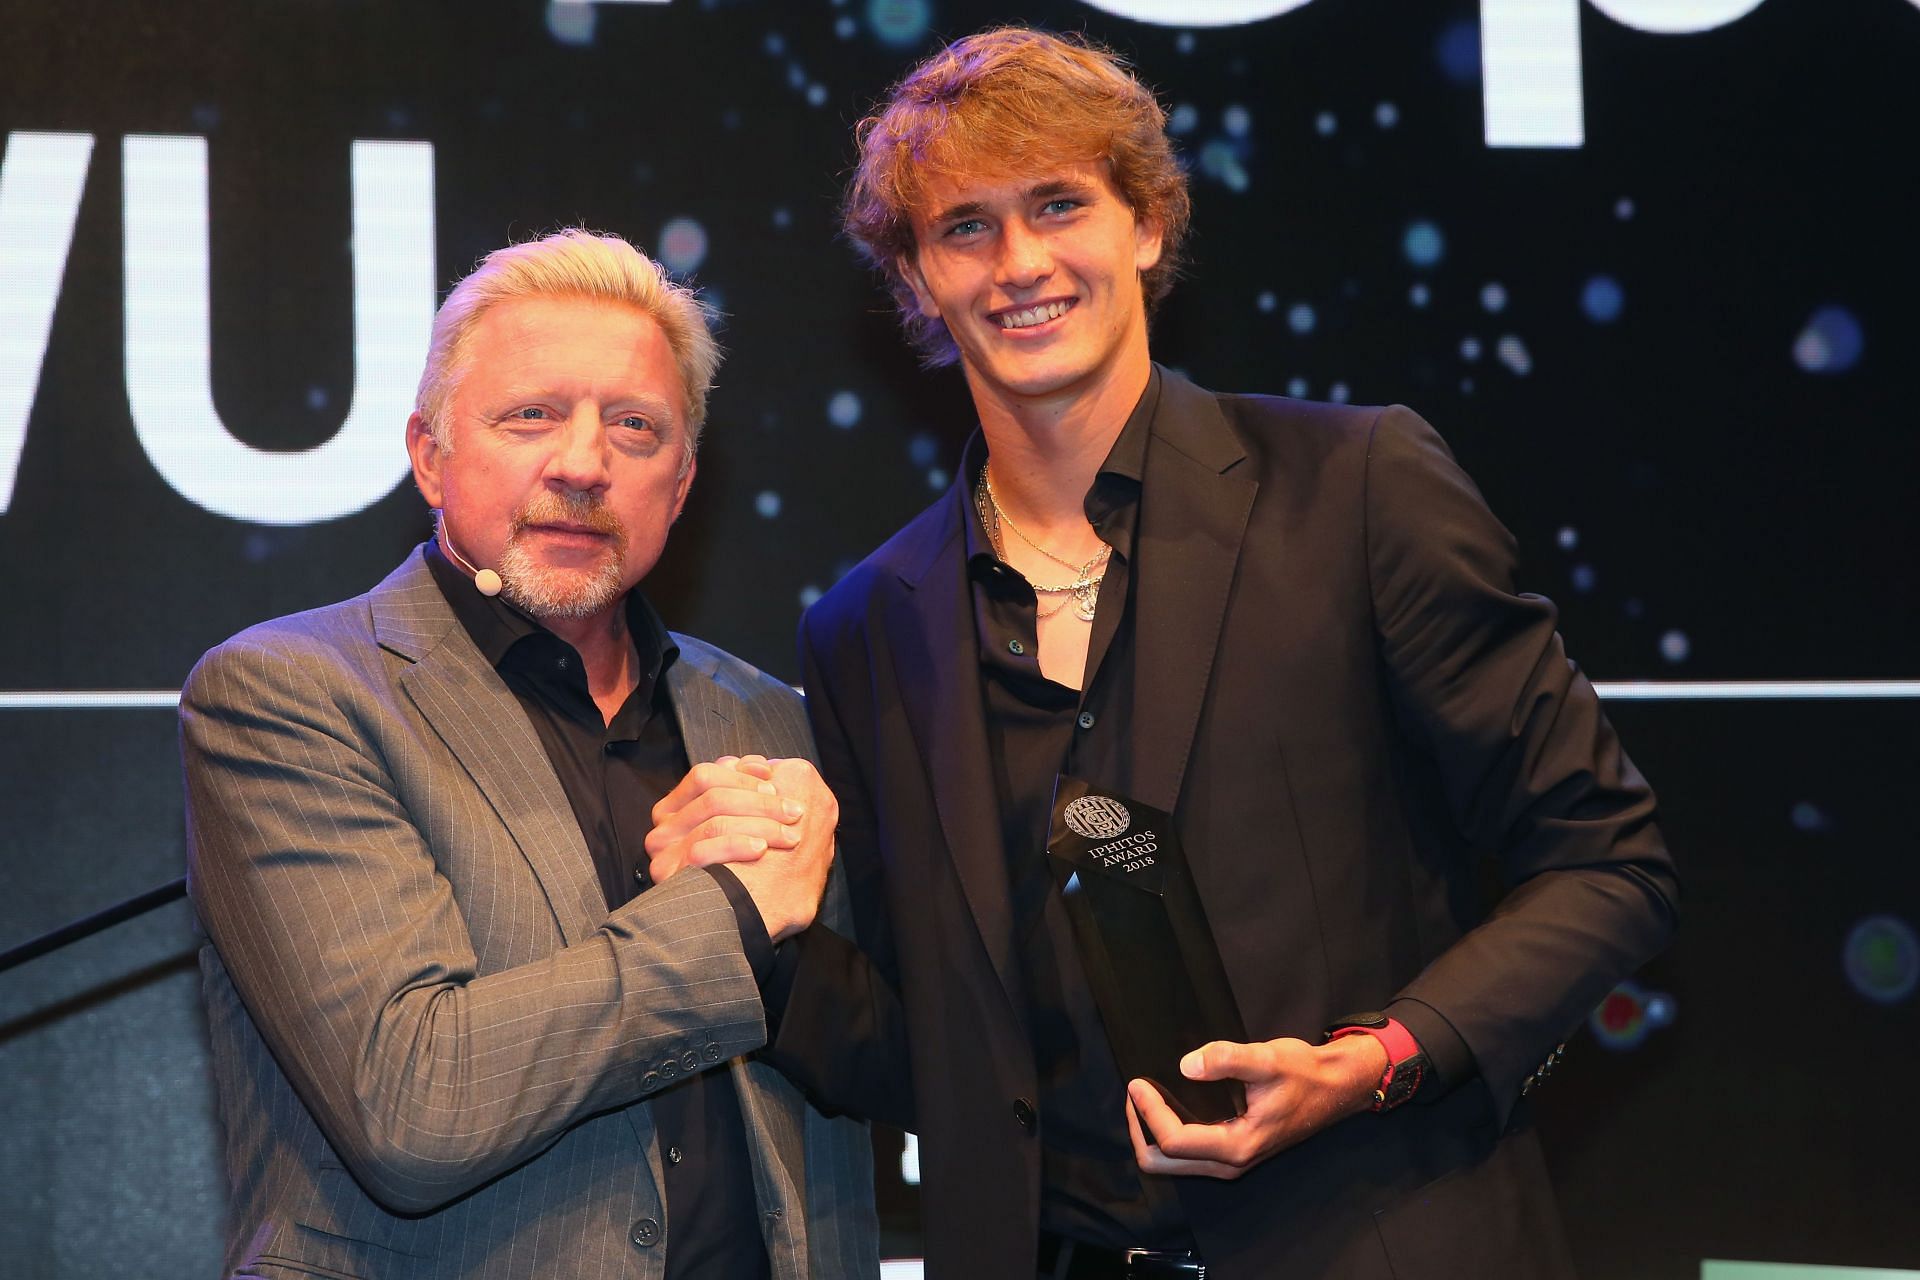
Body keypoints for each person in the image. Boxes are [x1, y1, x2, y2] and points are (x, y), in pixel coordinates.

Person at [711, 26, 1678, 1279]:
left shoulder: (1357, 490)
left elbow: (1610, 863)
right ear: (917, 279)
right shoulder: (865, 624)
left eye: (1060, 205)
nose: (1020, 264)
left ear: (1147, 226)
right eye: (966, 228)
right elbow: (929, 1044)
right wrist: (745, 933)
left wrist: (1374, 1060)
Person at [181, 229, 877, 1280]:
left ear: (681, 485)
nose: (584, 463)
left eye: (634, 427)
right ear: (430, 453)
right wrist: (728, 912)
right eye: (532, 415)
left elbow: (890, 1065)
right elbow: (412, 1106)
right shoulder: (292, 693)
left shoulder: (776, 722)